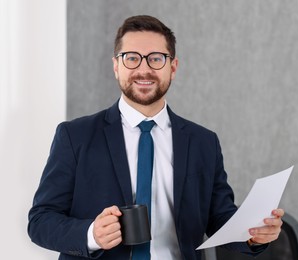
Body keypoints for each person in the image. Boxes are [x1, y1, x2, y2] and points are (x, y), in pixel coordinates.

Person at [28, 15, 284, 260]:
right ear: (116, 66)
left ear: (173, 67)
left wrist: (253, 235)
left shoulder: (203, 143)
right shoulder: (75, 136)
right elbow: (40, 221)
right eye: (132, 58)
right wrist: (91, 234)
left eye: (156, 59)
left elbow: (220, 218)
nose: (144, 69)